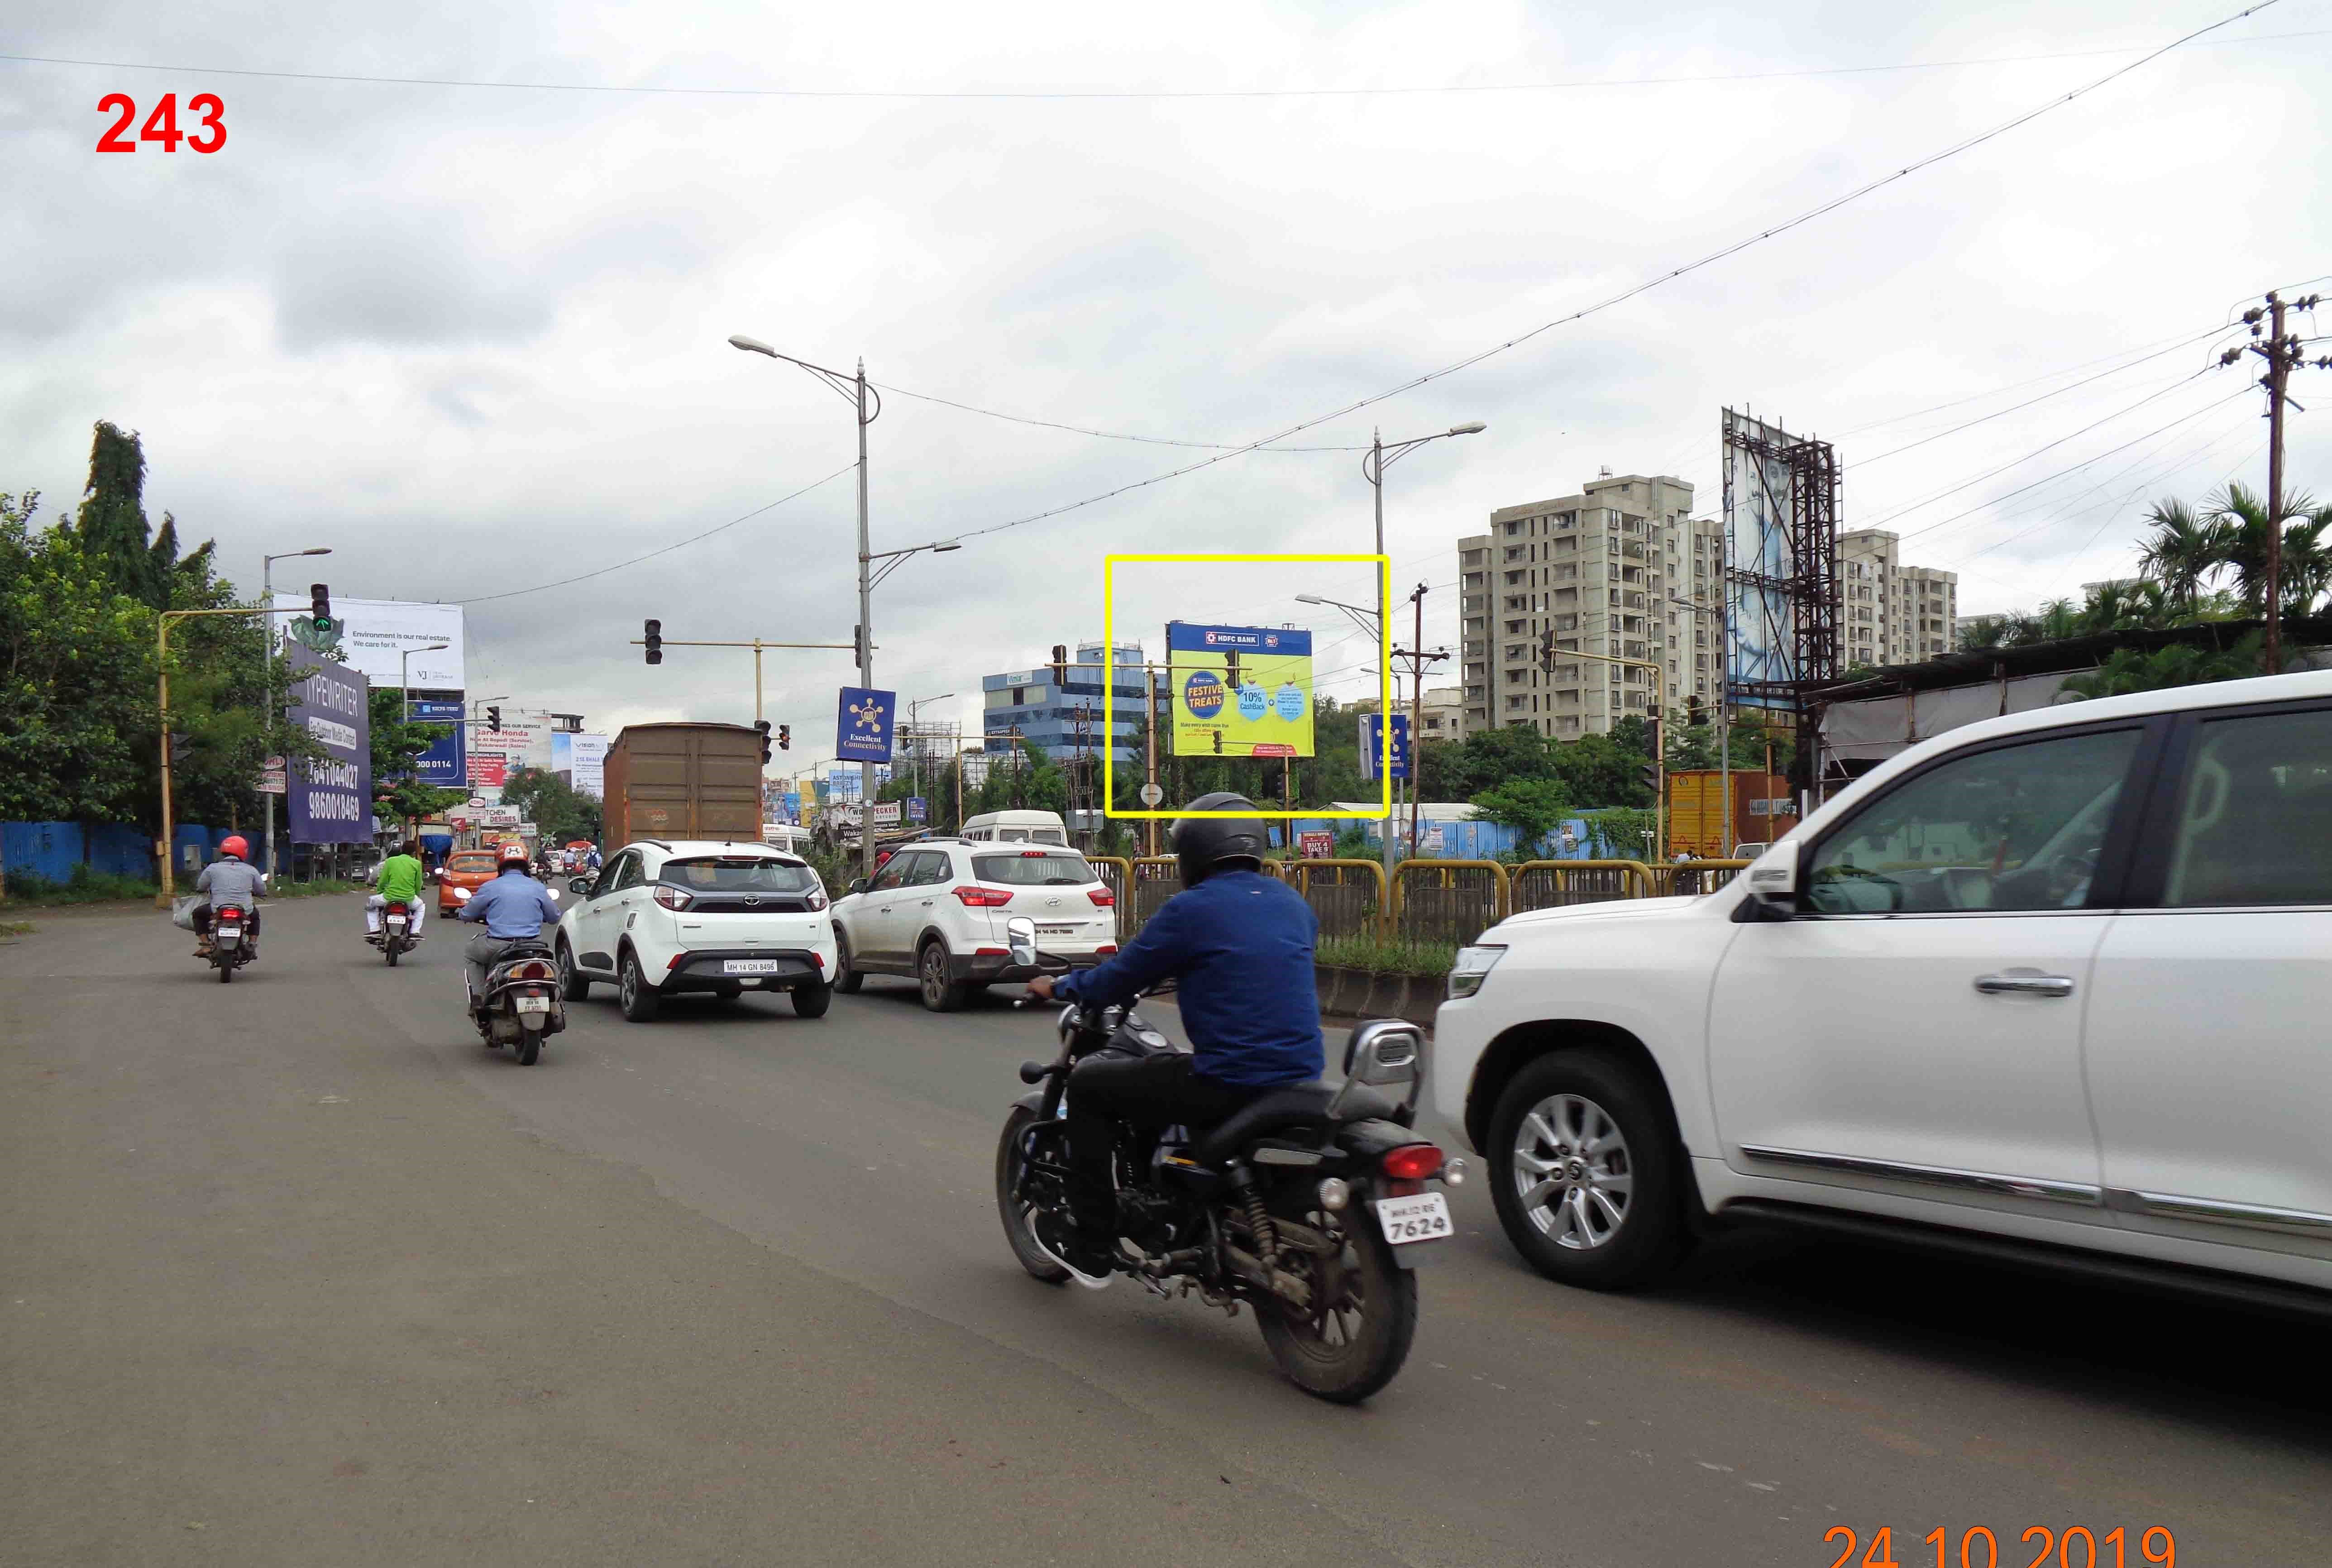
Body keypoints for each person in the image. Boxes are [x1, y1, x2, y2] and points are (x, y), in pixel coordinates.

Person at [1023, 792, 1323, 1279]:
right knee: (1158, 1078)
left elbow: (1119, 975)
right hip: (1299, 1076)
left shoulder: (1191, 909)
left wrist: (1058, 985)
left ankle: (1094, 1244)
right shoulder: (1293, 903)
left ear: (1195, 854)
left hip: (1228, 1080)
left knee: (1089, 1086)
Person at [454, 840, 561, 1015]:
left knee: (471, 953)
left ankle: (479, 997)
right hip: (532, 947)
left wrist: (463, 914)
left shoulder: (491, 887)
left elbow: (468, 913)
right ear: (526, 864)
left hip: (498, 946)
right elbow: (554, 917)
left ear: (500, 864)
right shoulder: (537, 887)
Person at [191, 835, 267, 957]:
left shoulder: (212, 868)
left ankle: (205, 945)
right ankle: (252, 944)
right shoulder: (251, 870)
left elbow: (201, 886)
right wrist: (261, 894)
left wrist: (201, 890)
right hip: (244, 909)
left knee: (197, 914)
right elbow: (261, 889)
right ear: (244, 852)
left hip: (218, 908)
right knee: (255, 917)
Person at [367, 839, 430, 939]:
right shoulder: (417, 863)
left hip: (389, 898)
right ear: (414, 853)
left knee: (371, 903)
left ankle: (375, 930)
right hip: (409, 899)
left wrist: (380, 891)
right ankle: (414, 932)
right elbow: (418, 884)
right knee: (421, 907)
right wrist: (417, 895)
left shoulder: (390, 861)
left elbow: (383, 881)